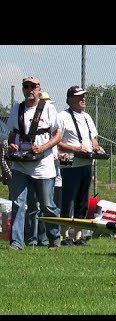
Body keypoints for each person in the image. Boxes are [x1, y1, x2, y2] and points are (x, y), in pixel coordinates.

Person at [5, 76, 63, 250]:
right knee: (18, 202)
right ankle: (16, 242)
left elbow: (58, 134)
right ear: (23, 89)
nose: (29, 89)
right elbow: (11, 133)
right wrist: (11, 144)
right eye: (26, 86)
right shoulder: (17, 109)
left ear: (39, 88)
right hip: (21, 163)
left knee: (46, 204)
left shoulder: (48, 108)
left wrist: (44, 147)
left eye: (33, 86)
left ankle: (54, 238)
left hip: (43, 163)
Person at [57, 86, 105, 246]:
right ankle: (65, 236)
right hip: (70, 164)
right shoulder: (62, 116)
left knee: (82, 201)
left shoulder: (87, 117)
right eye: (79, 97)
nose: (83, 99)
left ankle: (79, 236)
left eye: (84, 96)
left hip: (86, 163)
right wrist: (76, 149)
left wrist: (97, 147)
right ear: (70, 99)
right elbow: (58, 142)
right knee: (68, 200)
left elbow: (94, 139)